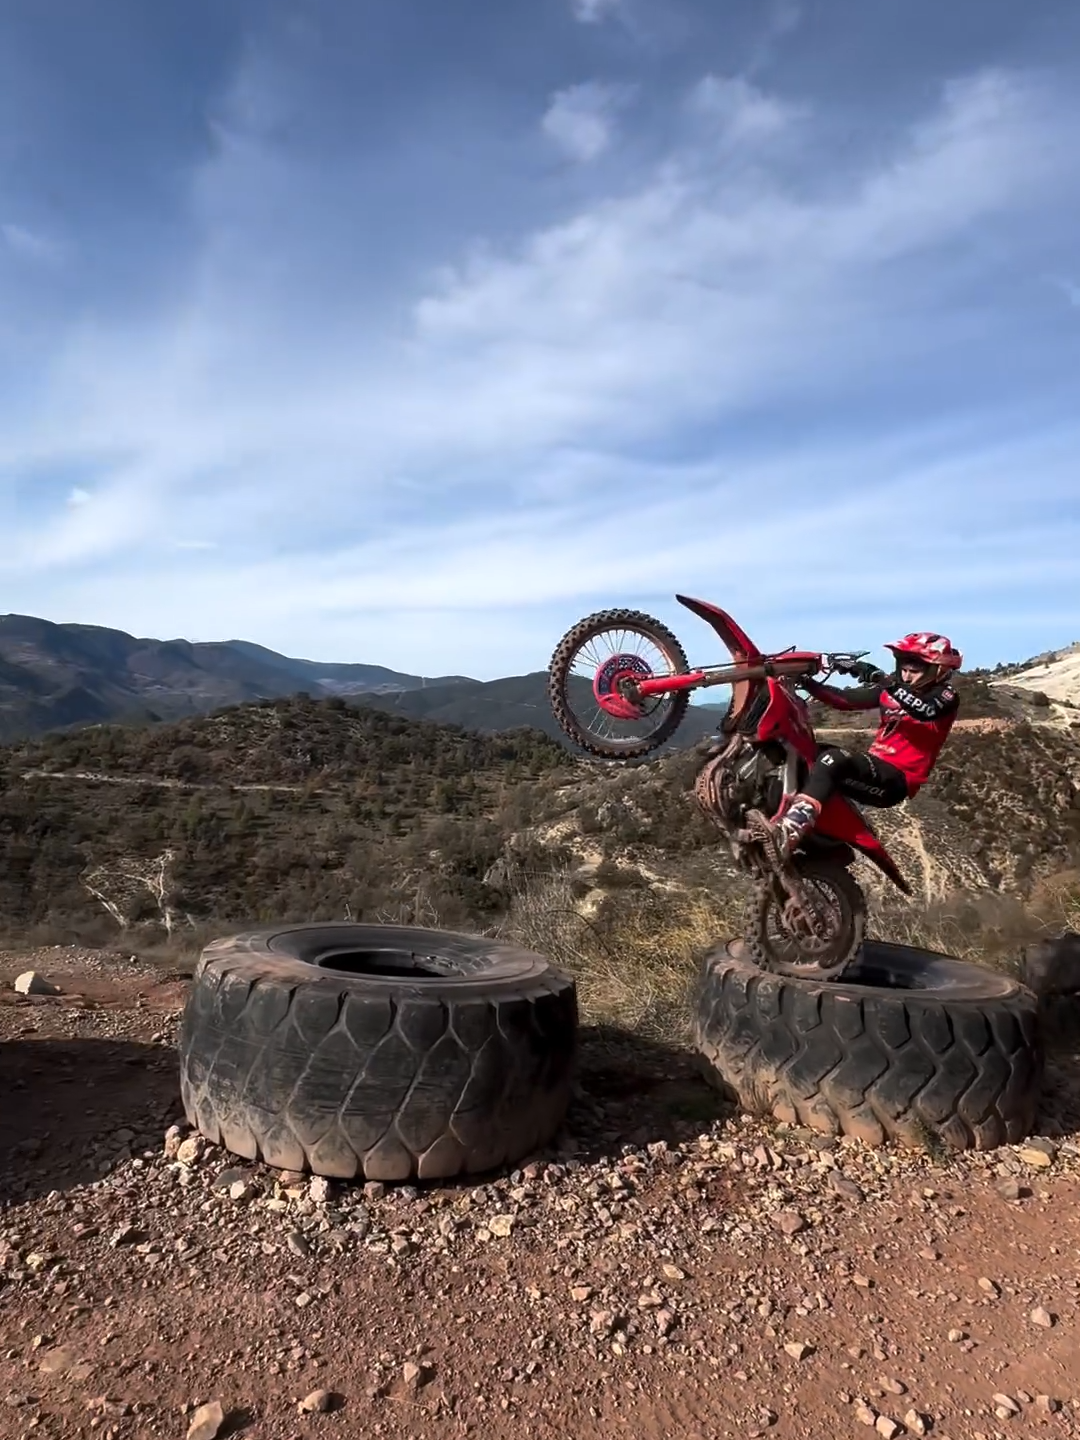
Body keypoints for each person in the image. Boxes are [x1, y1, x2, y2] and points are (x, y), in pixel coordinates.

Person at [772, 632, 962, 853]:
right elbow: (844, 700)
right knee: (808, 752)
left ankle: (791, 830)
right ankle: (796, 819)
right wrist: (806, 682)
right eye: (904, 668)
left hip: (895, 780)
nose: (907, 675)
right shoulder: (892, 690)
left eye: (915, 671)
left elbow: (924, 710)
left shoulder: (945, 695)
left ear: (937, 670)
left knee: (833, 760)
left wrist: (882, 679)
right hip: (873, 767)